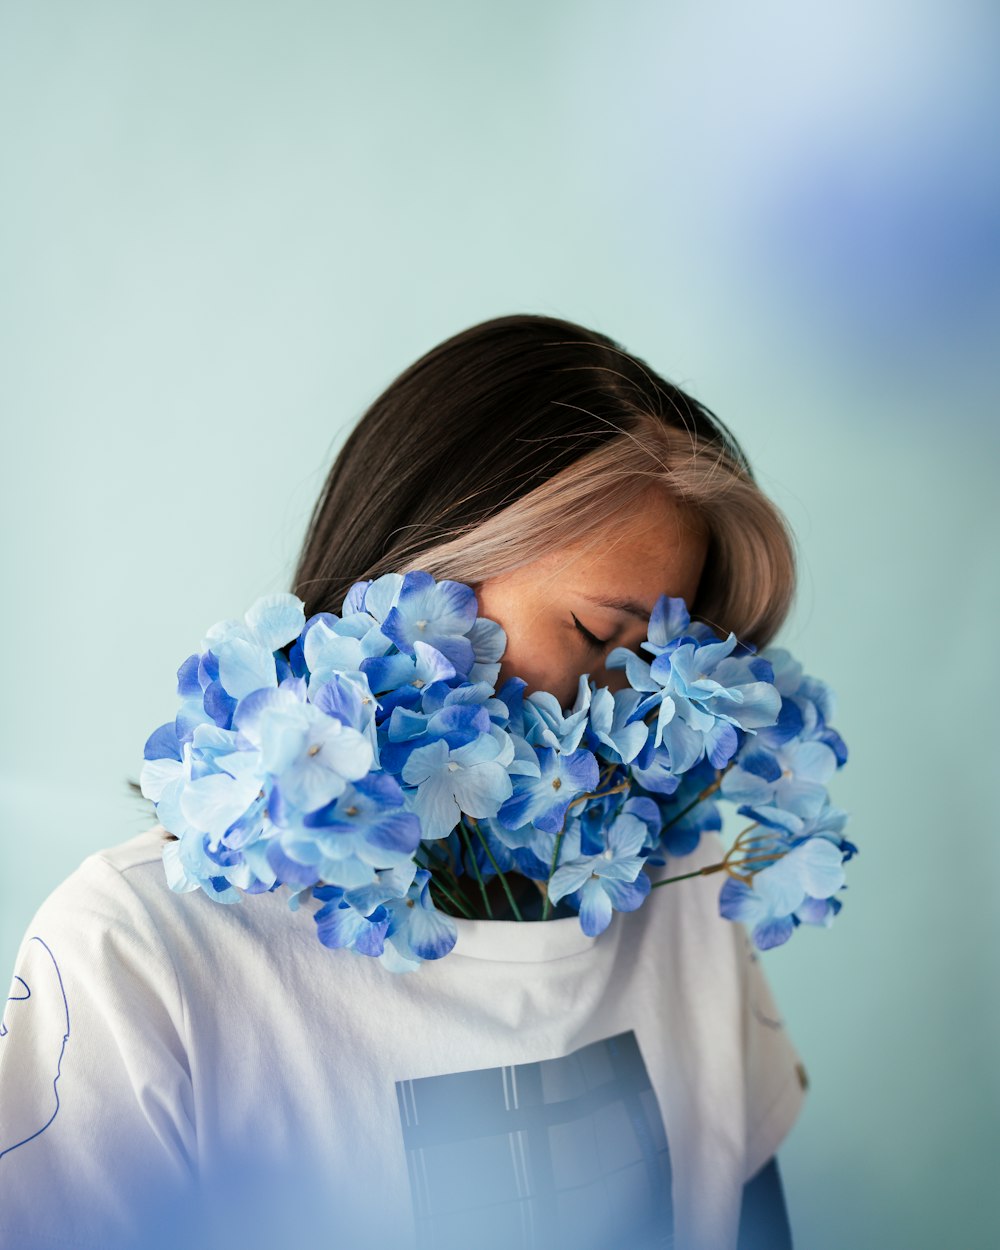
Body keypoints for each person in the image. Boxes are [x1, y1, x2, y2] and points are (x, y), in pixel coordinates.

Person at [0, 314, 805, 1250]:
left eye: (656, 661)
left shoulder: (682, 886)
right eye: (594, 635)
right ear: (421, 573)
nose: (629, 713)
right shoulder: (136, 952)